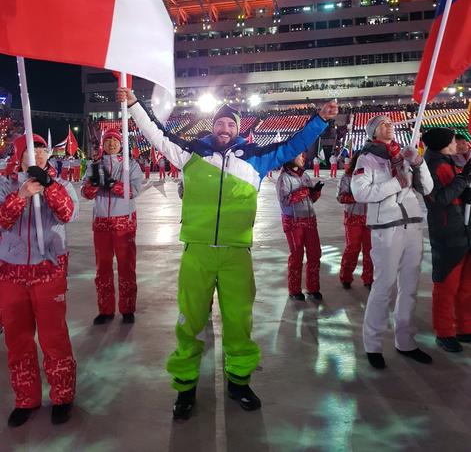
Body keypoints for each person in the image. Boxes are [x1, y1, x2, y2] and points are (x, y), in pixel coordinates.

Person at [118, 86, 337, 421]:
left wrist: (320, 120)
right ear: (212, 127)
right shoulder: (190, 153)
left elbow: (292, 145)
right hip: (198, 251)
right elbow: (157, 135)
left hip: (236, 253)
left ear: (238, 129)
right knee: (189, 323)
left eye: (231, 126)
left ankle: (239, 382)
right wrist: (133, 104)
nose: (225, 130)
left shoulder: (255, 159)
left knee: (238, 321)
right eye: (220, 124)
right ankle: (185, 386)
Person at [0, 134, 78, 427]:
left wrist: (49, 188)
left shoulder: (62, 185)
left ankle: (62, 396)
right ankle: (26, 399)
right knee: (17, 340)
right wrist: (20, 195)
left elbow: (68, 213)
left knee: (53, 338)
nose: (39, 155)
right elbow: (1, 220)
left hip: (48, 271)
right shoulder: (4, 185)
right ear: (19, 156)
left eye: (42, 149)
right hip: (12, 273)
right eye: (31, 151)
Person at [351, 115, 433, 369]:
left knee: (409, 286)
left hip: (413, 224)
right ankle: (372, 344)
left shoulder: (405, 156)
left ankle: (405, 340)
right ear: (373, 132)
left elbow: (427, 189)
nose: (389, 126)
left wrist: (419, 163)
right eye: (382, 124)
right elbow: (360, 192)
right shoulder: (367, 159)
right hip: (386, 228)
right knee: (383, 286)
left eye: (390, 123)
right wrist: (393, 183)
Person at [81, 129, 143, 325]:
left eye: (114, 141)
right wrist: (93, 184)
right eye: (107, 141)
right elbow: (86, 193)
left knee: (126, 266)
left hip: (124, 222)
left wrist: (111, 184)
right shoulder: (93, 166)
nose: (111, 144)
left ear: (121, 143)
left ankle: (127, 309)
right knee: (103, 269)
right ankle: (105, 310)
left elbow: (133, 191)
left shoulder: (130, 165)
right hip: (101, 223)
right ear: (102, 144)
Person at [422, 128, 471, 352]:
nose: (457, 144)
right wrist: (463, 180)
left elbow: (456, 193)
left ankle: (464, 327)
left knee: (466, 285)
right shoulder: (432, 166)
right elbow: (439, 199)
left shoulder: (447, 161)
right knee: (446, 285)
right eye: (453, 141)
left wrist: (465, 187)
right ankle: (444, 332)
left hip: (462, 230)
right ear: (443, 144)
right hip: (447, 233)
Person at [276, 152, 323, 301]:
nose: (303, 158)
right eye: (300, 155)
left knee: (315, 254)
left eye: (304, 155)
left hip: (309, 219)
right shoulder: (284, 178)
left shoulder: (305, 176)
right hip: (293, 222)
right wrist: (304, 192)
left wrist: (315, 193)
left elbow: (310, 199)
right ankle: (294, 290)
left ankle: (313, 288)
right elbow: (284, 200)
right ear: (291, 157)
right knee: (297, 256)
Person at [336, 150, 373, 290]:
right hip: (353, 218)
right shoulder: (347, 177)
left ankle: (369, 278)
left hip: (371, 218)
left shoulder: (373, 176)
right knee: (353, 248)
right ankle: (346, 277)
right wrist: (358, 196)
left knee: (370, 250)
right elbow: (340, 197)